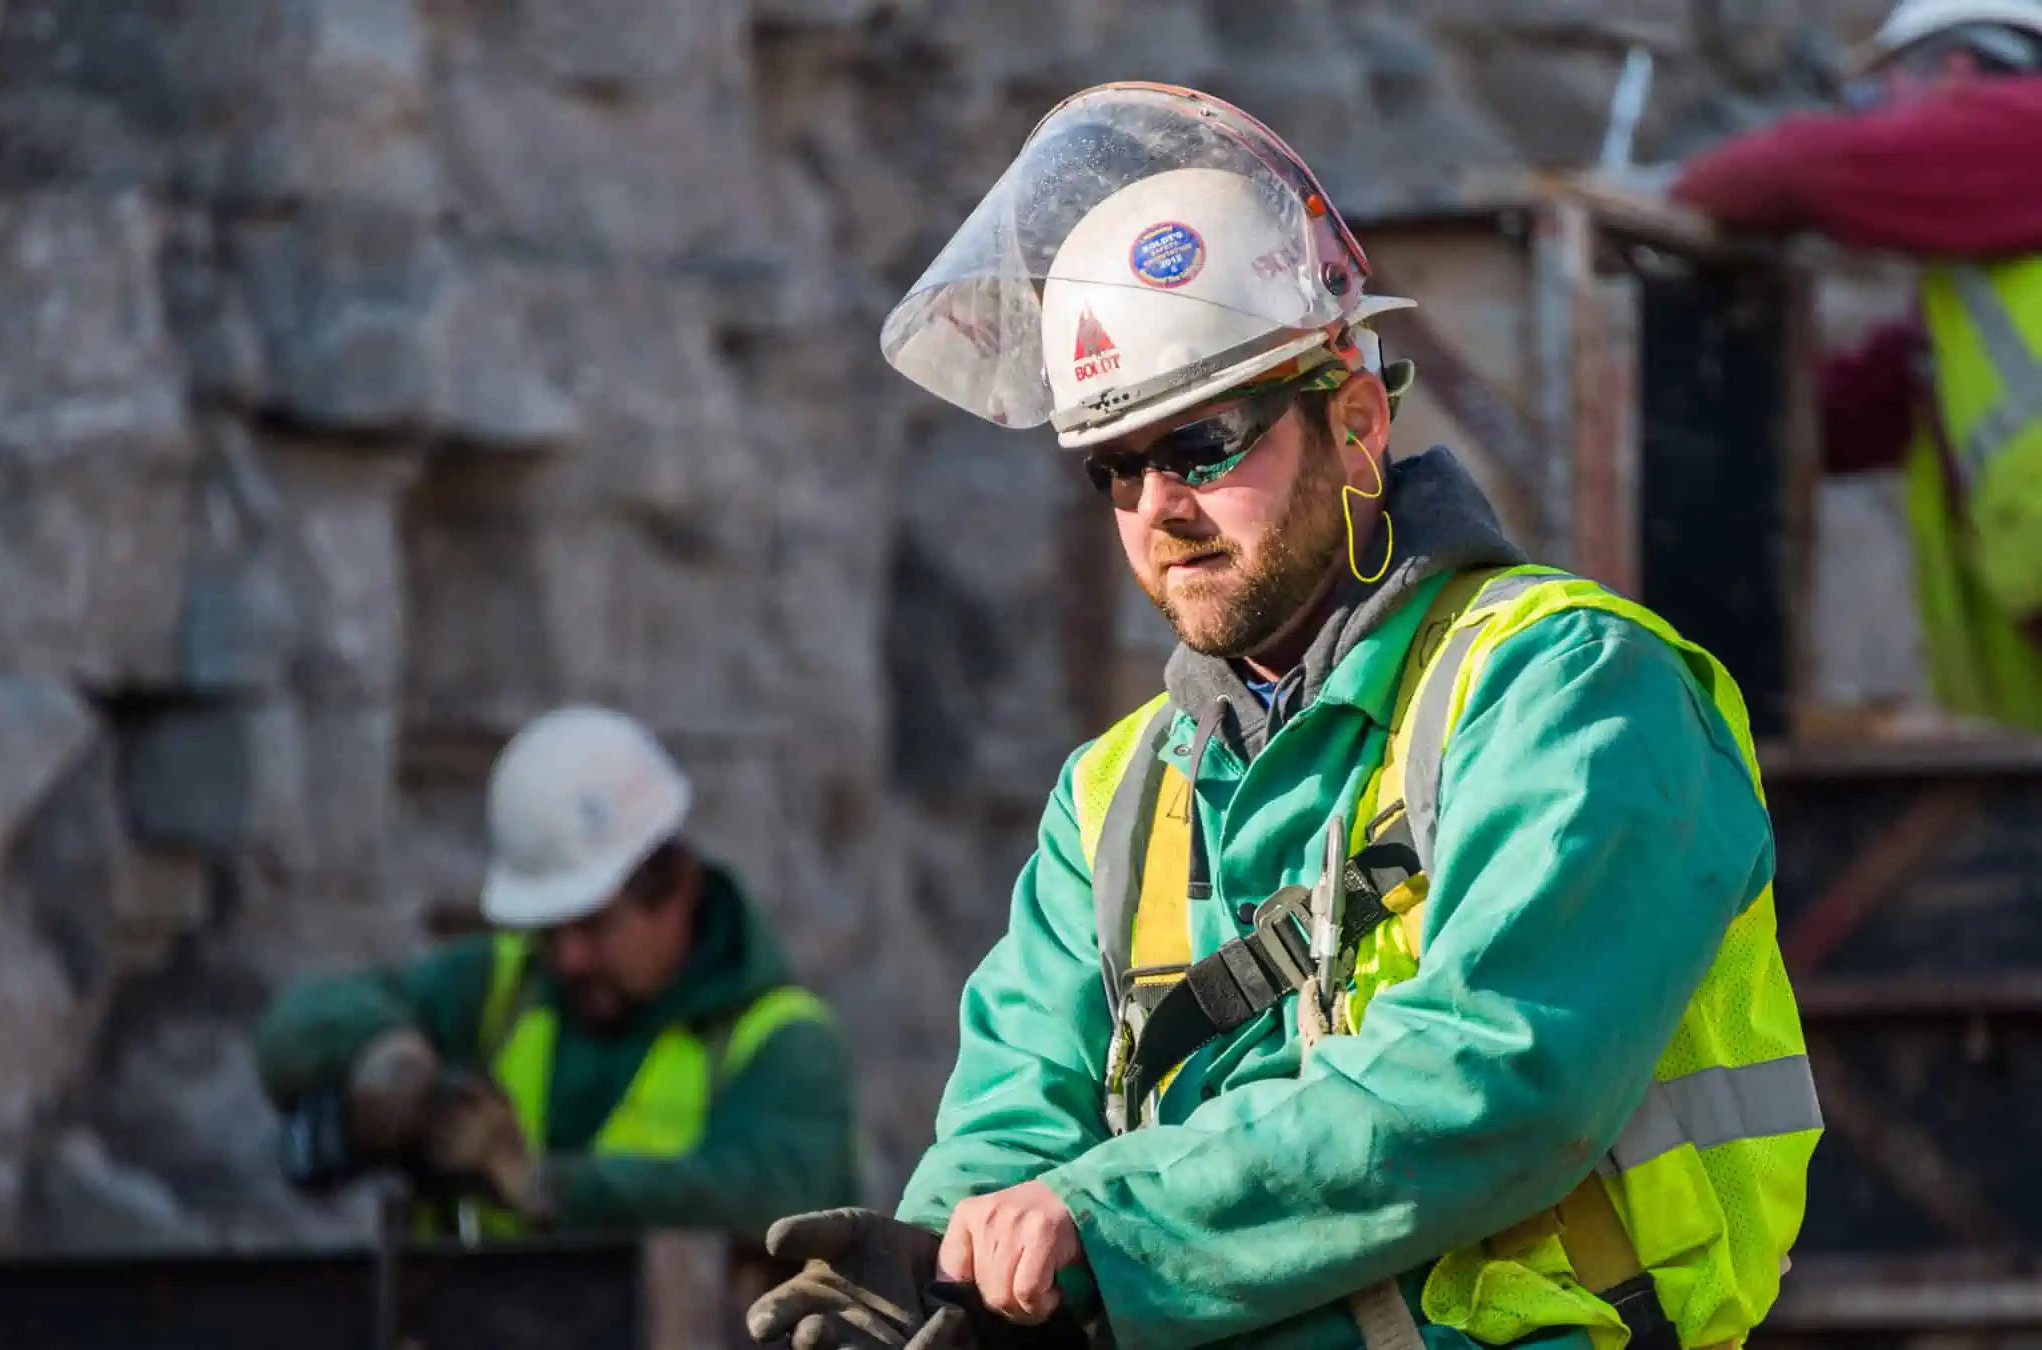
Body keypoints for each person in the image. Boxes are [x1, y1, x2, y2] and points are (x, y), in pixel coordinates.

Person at [745, 83, 1821, 1350]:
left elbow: (1505, 1081)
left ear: (1357, 425)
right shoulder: (1114, 795)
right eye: (1118, 465)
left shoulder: (1571, 690)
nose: (1159, 505)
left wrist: (1098, 1223)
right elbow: (1014, 1118)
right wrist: (935, 1270)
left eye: (1203, 442)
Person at [253, 704, 862, 1242]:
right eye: (550, 930)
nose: (568, 958)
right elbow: (297, 1029)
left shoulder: (783, 1044)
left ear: (673, 891)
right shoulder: (500, 989)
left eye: (593, 926)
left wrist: (545, 1185)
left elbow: (771, 1198)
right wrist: (388, 1064)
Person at [1669, 0, 2042, 733]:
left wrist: (1678, 196)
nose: (1871, 119)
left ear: (1962, 71)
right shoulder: (1991, 278)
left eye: (1881, 95)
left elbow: (1804, 170)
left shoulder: (2027, 132)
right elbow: (1841, 414)